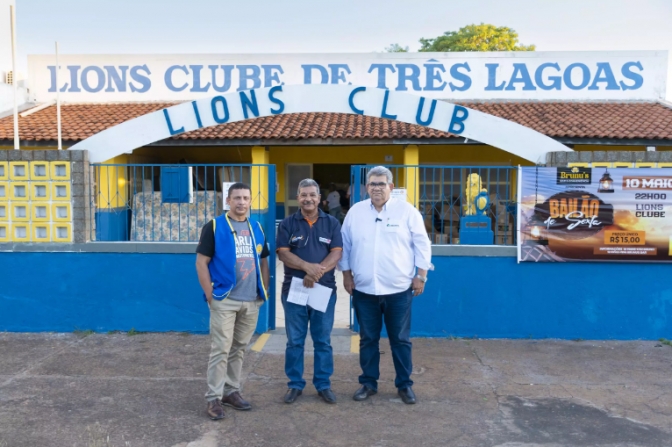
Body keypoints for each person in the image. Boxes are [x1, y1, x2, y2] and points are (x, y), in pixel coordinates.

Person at [339, 166, 432, 405]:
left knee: (400, 340)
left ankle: (404, 385)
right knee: (368, 339)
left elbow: (422, 244)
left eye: (381, 184)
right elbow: (345, 247)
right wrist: (346, 275)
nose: (376, 188)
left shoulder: (407, 212)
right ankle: (368, 383)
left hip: (398, 290)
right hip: (364, 290)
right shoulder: (356, 212)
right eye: (372, 184)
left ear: (391, 187)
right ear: (366, 187)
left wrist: (420, 275)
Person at [195, 182, 270, 420]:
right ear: (228, 201)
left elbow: (264, 260)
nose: (241, 202)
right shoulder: (215, 226)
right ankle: (213, 398)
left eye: (245, 198)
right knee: (221, 349)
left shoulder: (256, 226)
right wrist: (209, 294)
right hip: (225, 299)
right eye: (236, 198)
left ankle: (231, 391)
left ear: (250, 201)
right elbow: (201, 262)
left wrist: (264, 289)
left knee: (238, 348)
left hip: (251, 300)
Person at [277, 178, 343, 404]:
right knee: (295, 341)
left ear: (319, 198)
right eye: (304, 195)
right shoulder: (287, 223)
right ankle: (295, 385)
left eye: (312, 195)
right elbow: (283, 253)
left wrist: (316, 273)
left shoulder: (332, 223)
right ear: (298, 197)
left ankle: (323, 384)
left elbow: (336, 253)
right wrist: (307, 267)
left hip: (323, 290)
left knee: (322, 340)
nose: (308, 199)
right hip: (294, 290)